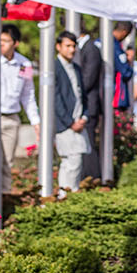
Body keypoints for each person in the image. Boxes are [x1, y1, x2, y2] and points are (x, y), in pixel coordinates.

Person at [50, 30, 91, 191]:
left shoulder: (76, 68)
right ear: (58, 47)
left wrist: (85, 117)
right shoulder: (54, 67)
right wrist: (69, 122)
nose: (71, 50)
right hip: (65, 124)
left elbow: (82, 95)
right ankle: (66, 193)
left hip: (78, 120)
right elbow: (56, 98)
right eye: (67, 46)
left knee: (74, 160)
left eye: (73, 46)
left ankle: (67, 192)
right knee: (71, 159)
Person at [0, 25, 39, 177]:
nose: (1, 44)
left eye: (6, 41)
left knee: (7, 161)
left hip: (11, 118)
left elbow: (28, 95)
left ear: (16, 43)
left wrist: (35, 121)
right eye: (0, 40)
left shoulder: (25, 64)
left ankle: (4, 195)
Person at [75, 27, 104, 182]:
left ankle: (93, 178)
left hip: (89, 105)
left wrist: (73, 89)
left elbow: (89, 78)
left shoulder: (91, 49)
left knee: (88, 144)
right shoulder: (84, 48)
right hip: (82, 105)